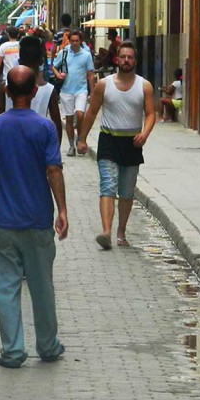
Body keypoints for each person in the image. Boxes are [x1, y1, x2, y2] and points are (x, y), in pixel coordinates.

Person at [0, 66, 68, 368]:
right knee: (42, 285)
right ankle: (48, 346)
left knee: (5, 288)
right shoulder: (45, 128)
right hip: (38, 220)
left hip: (2, 222)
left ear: (6, 92)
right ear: (34, 91)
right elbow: (53, 170)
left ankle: (13, 351)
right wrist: (62, 209)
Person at [76, 41, 155, 250]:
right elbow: (92, 111)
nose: (126, 60)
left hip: (132, 143)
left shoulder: (144, 86)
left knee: (127, 192)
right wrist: (82, 138)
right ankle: (106, 231)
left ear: (135, 61)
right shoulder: (105, 84)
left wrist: (144, 134)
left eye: (130, 57)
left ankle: (121, 231)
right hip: (109, 140)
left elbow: (151, 113)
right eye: (123, 57)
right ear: (117, 59)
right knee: (108, 186)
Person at [52, 29, 96, 157]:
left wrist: (92, 92)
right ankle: (72, 145)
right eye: (72, 41)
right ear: (69, 41)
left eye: (77, 41)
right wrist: (58, 75)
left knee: (80, 115)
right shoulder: (64, 53)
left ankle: (80, 138)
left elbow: (90, 74)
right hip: (66, 91)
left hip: (81, 90)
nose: (74, 43)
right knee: (69, 119)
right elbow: (54, 66)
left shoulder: (86, 55)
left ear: (80, 41)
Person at [19, 35, 63, 147]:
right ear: (41, 61)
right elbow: (57, 126)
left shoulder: (4, 88)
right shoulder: (49, 90)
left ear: (19, 60)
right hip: (38, 148)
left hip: (10, 151)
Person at [0, 27, 22, 115]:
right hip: (22, 76)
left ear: (8, 34)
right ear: (18, 35)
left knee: (7, 102)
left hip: (7, 78)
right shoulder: (21, 45)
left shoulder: (3, 46)